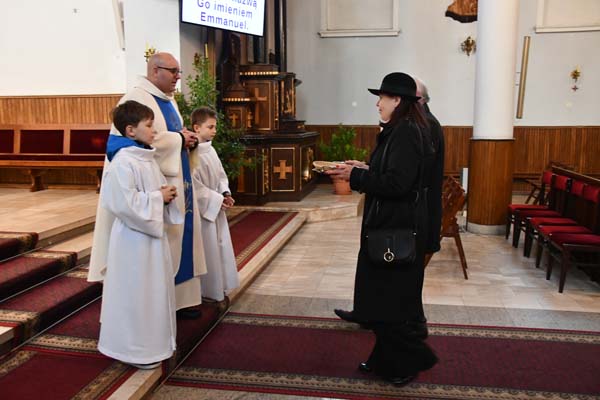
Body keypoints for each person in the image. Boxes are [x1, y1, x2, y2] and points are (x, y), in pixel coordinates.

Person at [326, 73, 440, 385]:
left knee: (389, 303)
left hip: (396, 228)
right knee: (382, 301)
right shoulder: (400, 129)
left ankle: (408, 364)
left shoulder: (406, 132)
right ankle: (383, 359)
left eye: (382, 98)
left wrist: (355, 178)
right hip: (390, 225)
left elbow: (398, 184)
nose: (378, 104)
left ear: (397, 100)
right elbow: (392, 172)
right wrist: (362, 168)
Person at [89, 52, 207, 318]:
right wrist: (179, 139)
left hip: (175, 180)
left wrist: (185, 139)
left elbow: (166, 135)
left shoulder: (168, 99)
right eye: (174, 71)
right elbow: (132, 144)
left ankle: (180, 300)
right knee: (165, 241)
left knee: (181, 235)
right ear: (155, 71)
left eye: (178, 71)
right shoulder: (135, 98)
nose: (178, 77)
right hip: (151, 186)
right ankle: (158, 304)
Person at [97, 100, 182, 369]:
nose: (154, 130)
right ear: (130, 130)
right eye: (149, 125)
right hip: (133, 242)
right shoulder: (123, 162)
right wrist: (159, 197)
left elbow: (150, 193)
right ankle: (135, 351)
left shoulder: (144, 157)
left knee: (151, 293)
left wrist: (165, 195)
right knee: (137, 295)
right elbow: (124, 204)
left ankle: (153, 345)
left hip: (149, 239)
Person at [189, 107, 240, 302]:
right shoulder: (190, 153)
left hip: (216, 205)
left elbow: (220, 176)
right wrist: (217, 200)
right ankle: (208, 290)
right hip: (204, 212)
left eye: (215, 127)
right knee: (208, 249)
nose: (214, 130)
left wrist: (225, 193)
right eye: (210, 127)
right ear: (196, 128)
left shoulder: (210, 150)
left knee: (219, 245)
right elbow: (194, 186)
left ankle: (221, 286)